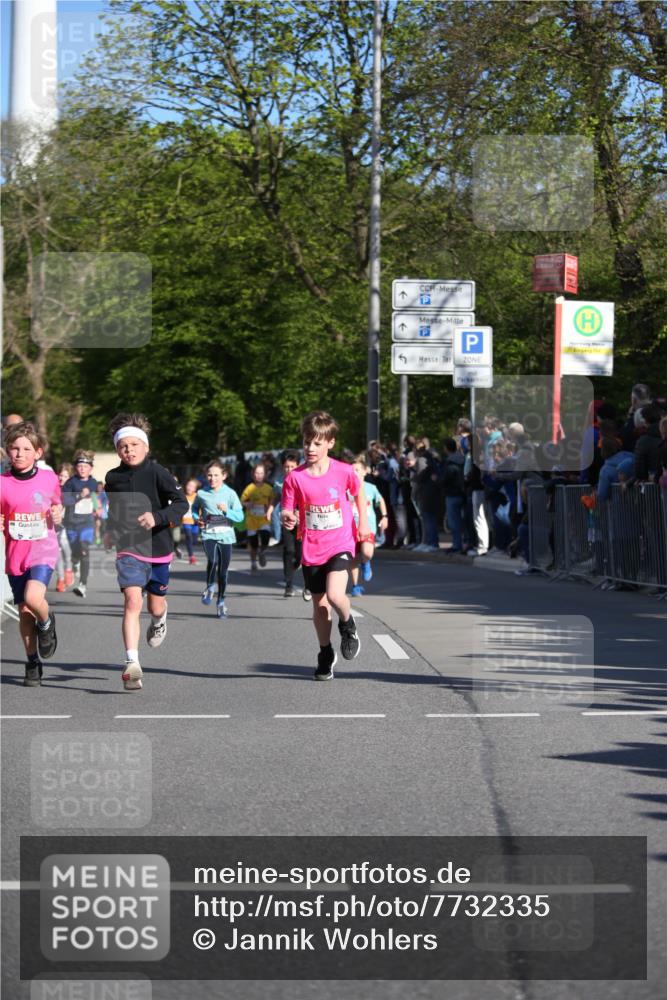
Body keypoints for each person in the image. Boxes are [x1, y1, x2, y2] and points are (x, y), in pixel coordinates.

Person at [280, 411, 369, 681]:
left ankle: (348, 624)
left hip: (340, 543)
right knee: (320, 606)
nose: (310, 448)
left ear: (330, 442)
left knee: (335, 595)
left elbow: (359, 493)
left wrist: (363, 526)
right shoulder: (294, 477)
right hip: (311, 546)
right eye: (307, 442)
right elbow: (287, 508)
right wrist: (287, 517)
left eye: (317, 443)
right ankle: (325, 652)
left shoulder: (343, 471)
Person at [104, 413, 188, 691]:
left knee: (155, 605)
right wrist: (109, 529)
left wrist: (158, 517)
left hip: (158, 549)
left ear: (146, 446)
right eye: (123, 446)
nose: (128, 450)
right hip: (129, 549)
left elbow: (181, 504)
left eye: (134, 444)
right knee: (131, 601)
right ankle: (131, 663)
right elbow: (114, 510)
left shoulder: (158, 472)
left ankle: (160, 619)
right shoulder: (112, 478)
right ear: (117, 449)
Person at [0, 422, 61, 686]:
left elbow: (57, 506)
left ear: (37, 452)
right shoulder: (1, 483)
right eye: (14, 448)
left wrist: (59, 513)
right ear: (7, 451)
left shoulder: (49, 478)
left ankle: (47, 623)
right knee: (25, 611)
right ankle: (32, 662)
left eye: (26, 449)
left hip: (43, 548)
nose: (20, 454)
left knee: (33, 597)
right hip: (16, 551)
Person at [193, 461, 244, 617]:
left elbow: (240, 516)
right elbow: (195, 509)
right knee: (212, 560)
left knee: (223, 571)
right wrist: (197, 518)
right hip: (209, 533)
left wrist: (227, 510)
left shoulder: (230, 494)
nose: (212, 478)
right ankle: (209, 587)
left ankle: (221, 601)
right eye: (209, 475)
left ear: (224, 476)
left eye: (216, 475)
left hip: (226, 535)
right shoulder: (201, 493)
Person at [350, 453, 388, 596]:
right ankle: (356, 586)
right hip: (351, 528)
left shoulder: (370, 488)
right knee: (353, 559)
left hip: (368, 527)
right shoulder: (347, 488)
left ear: (365, 471)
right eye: (352, 470)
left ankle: (366, 562)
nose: (354, 473)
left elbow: (381, 501)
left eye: (357, 470)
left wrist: (384, 517)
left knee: (366, 552)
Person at [62, 451, 98, 599]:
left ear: (90, 468)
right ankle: (74, 562)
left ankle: (82, 585)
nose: (82, 469)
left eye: (85, 466)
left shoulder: (93, 482)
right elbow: (65, 501)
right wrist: (78, 496)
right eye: (80, 466)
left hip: (87, 523)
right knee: (76, 553)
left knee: (84, 550)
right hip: (71, 523)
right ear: (76, 468)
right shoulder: (70, 483)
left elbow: (95, 493)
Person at [273, 451, 303, 597]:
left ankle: (296, 565)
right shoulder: (279, 481)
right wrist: (270, 509)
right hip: (286, 519)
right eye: (286, 467)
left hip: (301, 520)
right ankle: (288, 584)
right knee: (289, 550)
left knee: (300, 554)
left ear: (298, 466)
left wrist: (300, 511)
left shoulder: (304, 479)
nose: (289, 470)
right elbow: (275, 498)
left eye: (292, 467)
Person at [240, 462, 274, 572]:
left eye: (261, 473)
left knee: (265, 537)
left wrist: (269, 511)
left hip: (264, 518)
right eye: (256, 473)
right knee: (253, 543)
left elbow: (273, 500)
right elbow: (242, 501)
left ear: (265, 475)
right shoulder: (249, 488)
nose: (258, 475)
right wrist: (247, 504)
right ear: (252, 474)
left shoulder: (269, 488)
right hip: (252, 519)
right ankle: (253, 562)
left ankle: (262, 552)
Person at [55, 464, 74, 591]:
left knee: (64, 545)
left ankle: (68, 569)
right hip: (54, 523)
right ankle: (60, 579)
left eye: (65, 476)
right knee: (56, 551)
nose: (62, 478)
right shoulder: (53, 488)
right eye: (60, 475)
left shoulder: (72, 490)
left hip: (67, 524)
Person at [181, 477, 201, 564]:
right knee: (188, 536)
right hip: (186, 520)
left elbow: (201, 507)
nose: (190, 488)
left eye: (192, 486)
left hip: (195, 521)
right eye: (189, 485)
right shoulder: (182, 496)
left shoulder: (197, 496)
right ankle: (191, 556)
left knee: (194, 540)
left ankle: (190, 549)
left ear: (195, 488)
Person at [94, 481, 109, 546]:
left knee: (104, 528)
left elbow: (107, 501)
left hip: (104, 514)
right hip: (96, 514)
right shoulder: (94, 494)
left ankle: (104, 539)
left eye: (100, 487)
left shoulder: (104, 494)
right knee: (97, 526)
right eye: (98, 487)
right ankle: (98, 539)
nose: (99, 488)